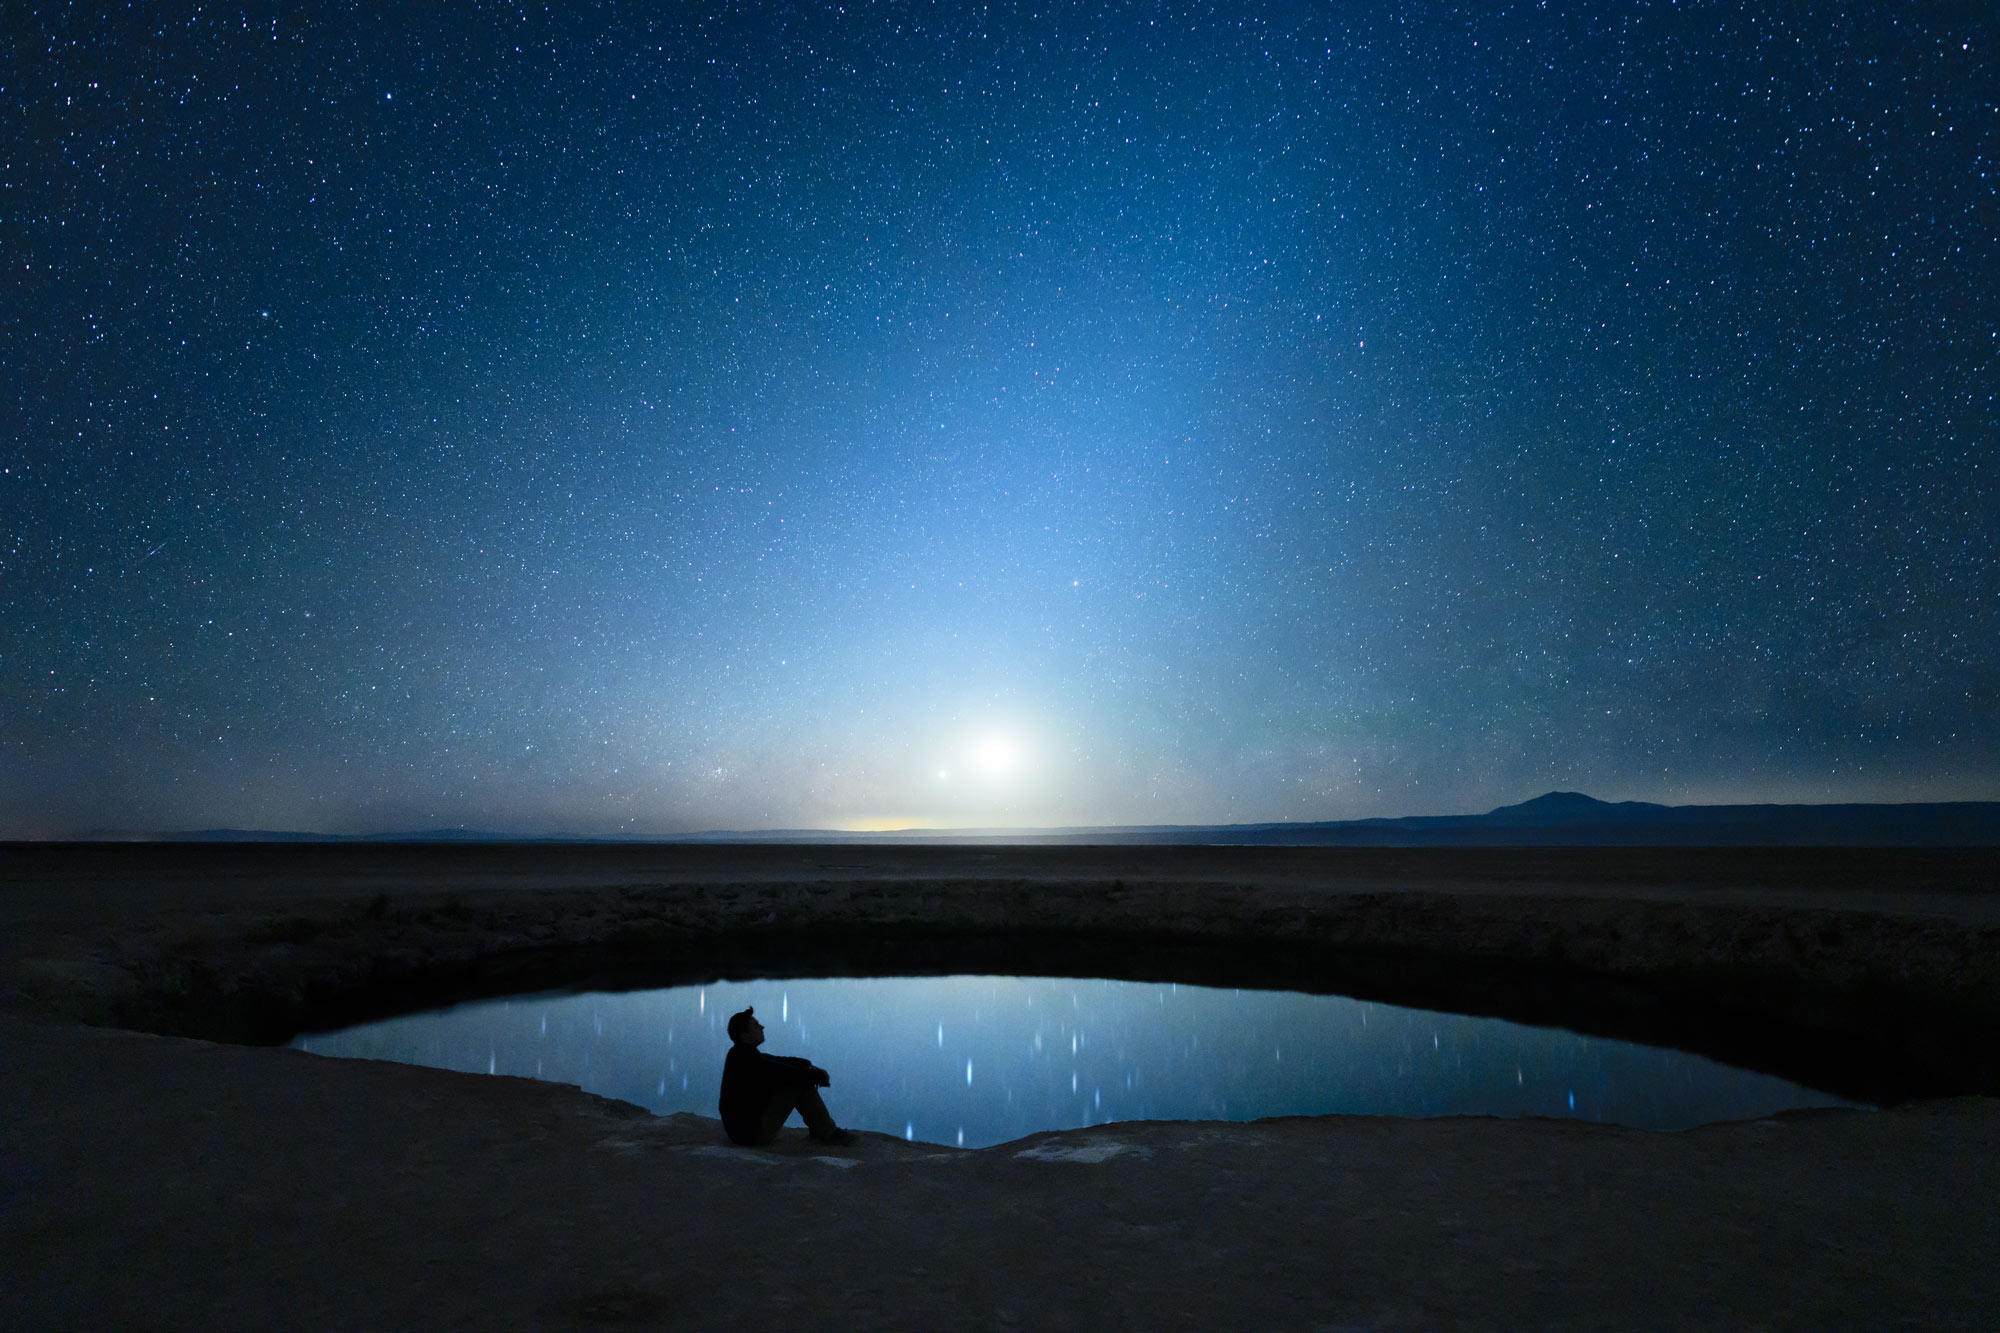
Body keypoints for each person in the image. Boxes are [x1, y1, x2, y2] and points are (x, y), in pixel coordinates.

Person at [718, 1006, 855, 1146]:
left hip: (742, 1132)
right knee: (797, 1082)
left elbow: (777, 1061)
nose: (762, 1027)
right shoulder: (746, 1059)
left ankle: (820, 1127)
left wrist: (807, 1065)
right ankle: (827, 1131)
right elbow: (783, 1071)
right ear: (745, 1036)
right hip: (752, 1135)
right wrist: (817, 1075)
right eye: (755, 1026)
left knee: (798, 1077)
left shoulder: (741, 1054)